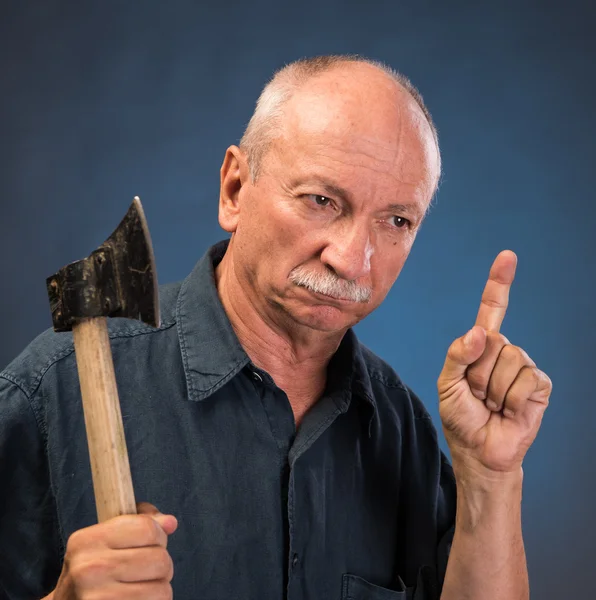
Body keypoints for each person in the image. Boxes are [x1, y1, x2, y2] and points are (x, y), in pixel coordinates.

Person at [0, 55, 551, 600]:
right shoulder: (55, 389)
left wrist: (491, 479)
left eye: (396, 221)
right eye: (322, 200)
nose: (353, 260)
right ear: (235, 189)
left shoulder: (403, 427)